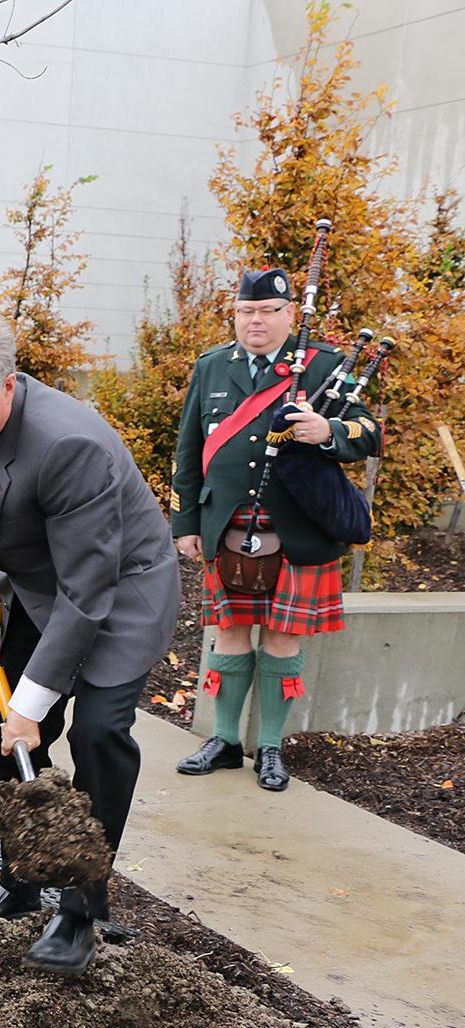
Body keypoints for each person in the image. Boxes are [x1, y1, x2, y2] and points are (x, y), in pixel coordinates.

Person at [0, 305, 179, 976]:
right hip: (44, 589)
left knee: (96, 734)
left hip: (121, 593)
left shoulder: (71, 444)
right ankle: (21, 882)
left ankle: (80, 911)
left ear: (8, 383)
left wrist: (33, 705)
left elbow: (90, 591)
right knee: (5, 742)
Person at [171, 268, 380, 791]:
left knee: (284, 640)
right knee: (229, 634)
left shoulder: (326, 366)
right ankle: (223, 741)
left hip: (296, 528)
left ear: (289, 314)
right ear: (236, 314)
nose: (255, 320)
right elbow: (189, 451)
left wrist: (327, 430)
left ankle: (269, 747)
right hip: (228, 524)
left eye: (267, 310)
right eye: (246, 311)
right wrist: (186, 522)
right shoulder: (213, 367)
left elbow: (370, 433)